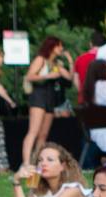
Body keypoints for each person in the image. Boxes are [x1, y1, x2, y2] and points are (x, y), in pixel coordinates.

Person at [21, 37, 74, 171]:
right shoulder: (41, 60)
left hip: (50, 98)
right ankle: (26, 163)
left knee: (43, 134)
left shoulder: (57, 63)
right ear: (52, 47)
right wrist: (48, 76)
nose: (61, 49)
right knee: (33, 131)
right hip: (38, 97)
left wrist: (70, 61)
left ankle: (37, 161)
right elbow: (29, 76)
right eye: (59, 46)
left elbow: (69, 77)